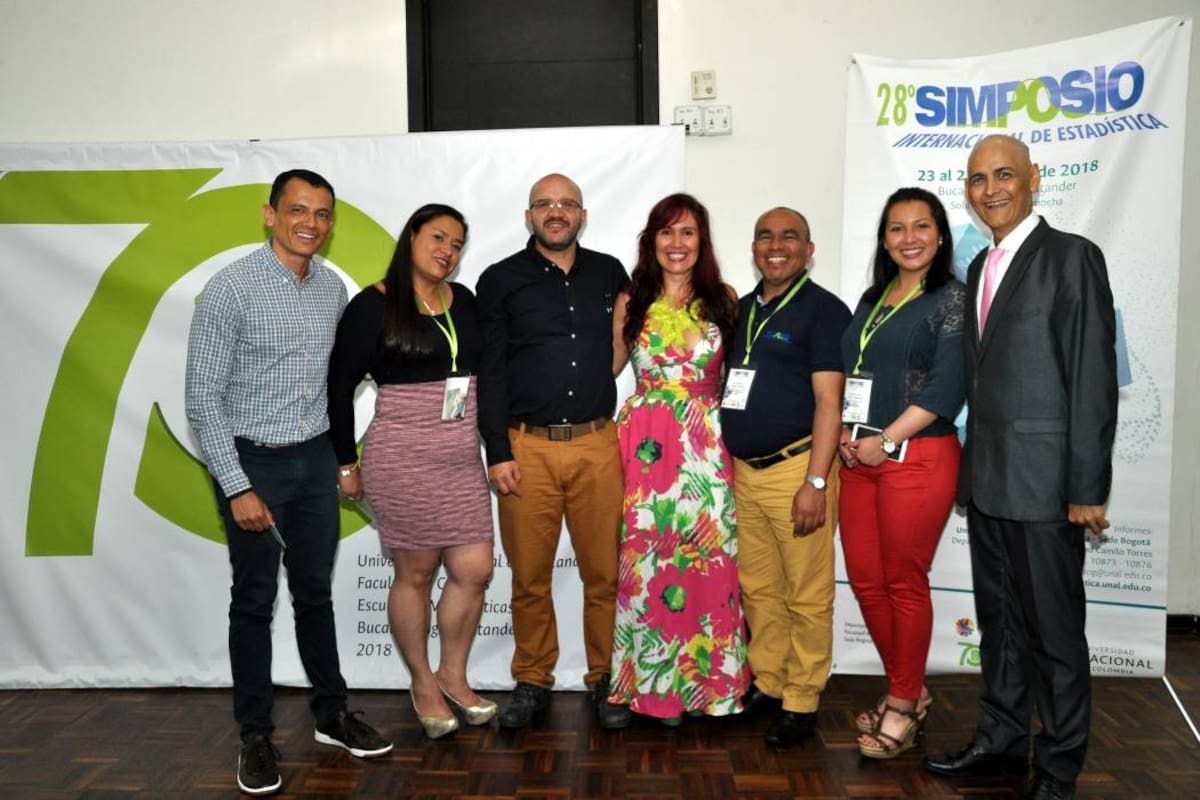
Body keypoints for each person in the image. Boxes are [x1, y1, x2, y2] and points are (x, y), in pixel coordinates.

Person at [185, 169, 392, 796]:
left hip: (313, 464)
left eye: (323, 214)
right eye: (298, 210)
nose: (312, 223)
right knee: (252, 602)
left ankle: (330, 714)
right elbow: (201, 400)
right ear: (269, 214)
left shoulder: (331, 289)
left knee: (314, 593)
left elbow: (338, 385)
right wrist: (236, 485)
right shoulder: (231, 289)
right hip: (253, 464)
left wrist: (340, 459)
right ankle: (255, 735)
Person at [923, 135, 1117, 800]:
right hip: (991, 482)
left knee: (1055, 634)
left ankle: (1059, 767)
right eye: (977, 179)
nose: (990, 189)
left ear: (1034, 177)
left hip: (1048, 486)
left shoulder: (1072, 258)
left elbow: (1092, 377)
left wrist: (1087, 486)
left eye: (1004, 174)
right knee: (999, 622)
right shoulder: (981, 269)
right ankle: (1002, 740)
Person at [326, 204, 496, 740]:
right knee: (416, 574)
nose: (447, 250)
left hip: (461, 458)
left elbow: (486, 374)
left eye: (457, 244)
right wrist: (344, 462)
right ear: (411, 238)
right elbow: (336, 388)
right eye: (438, 237)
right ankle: (422, 681)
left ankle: (454, 674)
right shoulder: (370, 307)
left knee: (475, 569)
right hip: (402, 459)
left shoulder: (463, 302)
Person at [476, 173, 631, 730]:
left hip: (596, 443)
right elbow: (488, 372)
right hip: (526, 447)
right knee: (530, 576)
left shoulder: (611, 273)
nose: (556, 212)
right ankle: (533, 679)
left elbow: (627, 338)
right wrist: (497, 449)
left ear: (582, 215)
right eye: (545, 204)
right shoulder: (499, 280)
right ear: (529, 216)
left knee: (604, 574)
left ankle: (607, 677)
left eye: (566, 204)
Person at [606, 193, 749, 724]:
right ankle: (655, 689)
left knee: (710, 562)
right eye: (667, 233)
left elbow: (739, 378)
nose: (677, 244)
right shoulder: (631, 301)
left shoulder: (725, 299)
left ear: (702, 241)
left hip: (707, 446)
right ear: (652, 241)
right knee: (648, 566)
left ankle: (709, 689)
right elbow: (607, 371)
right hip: (646, 452)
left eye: (687, 233)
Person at [836, 187, 966, 758]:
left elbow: (945, 389)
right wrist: (847, 428)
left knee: (903, 582)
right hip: (858, 459)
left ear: (939, 235)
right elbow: (855, 370)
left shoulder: (953, 300)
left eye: (920, 226)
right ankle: (908, 689)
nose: (908, 238)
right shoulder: (874, 296)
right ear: (884, 239)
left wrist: (886, 440)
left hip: (917, 457)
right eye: (896, 228)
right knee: (866, 582)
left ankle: (903, 704)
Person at [720, 207, 851, 748]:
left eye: (789, 237)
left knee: (807, 594)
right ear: (753, 248)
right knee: (759, 590)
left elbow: (830, 402)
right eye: (765, 237)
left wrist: (816, 482)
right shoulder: (742, 311)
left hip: (798, 470)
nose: (776, 246)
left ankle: (801, 699)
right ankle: (768, 683)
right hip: (743, 476)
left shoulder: (824, 312)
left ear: (808, 248)